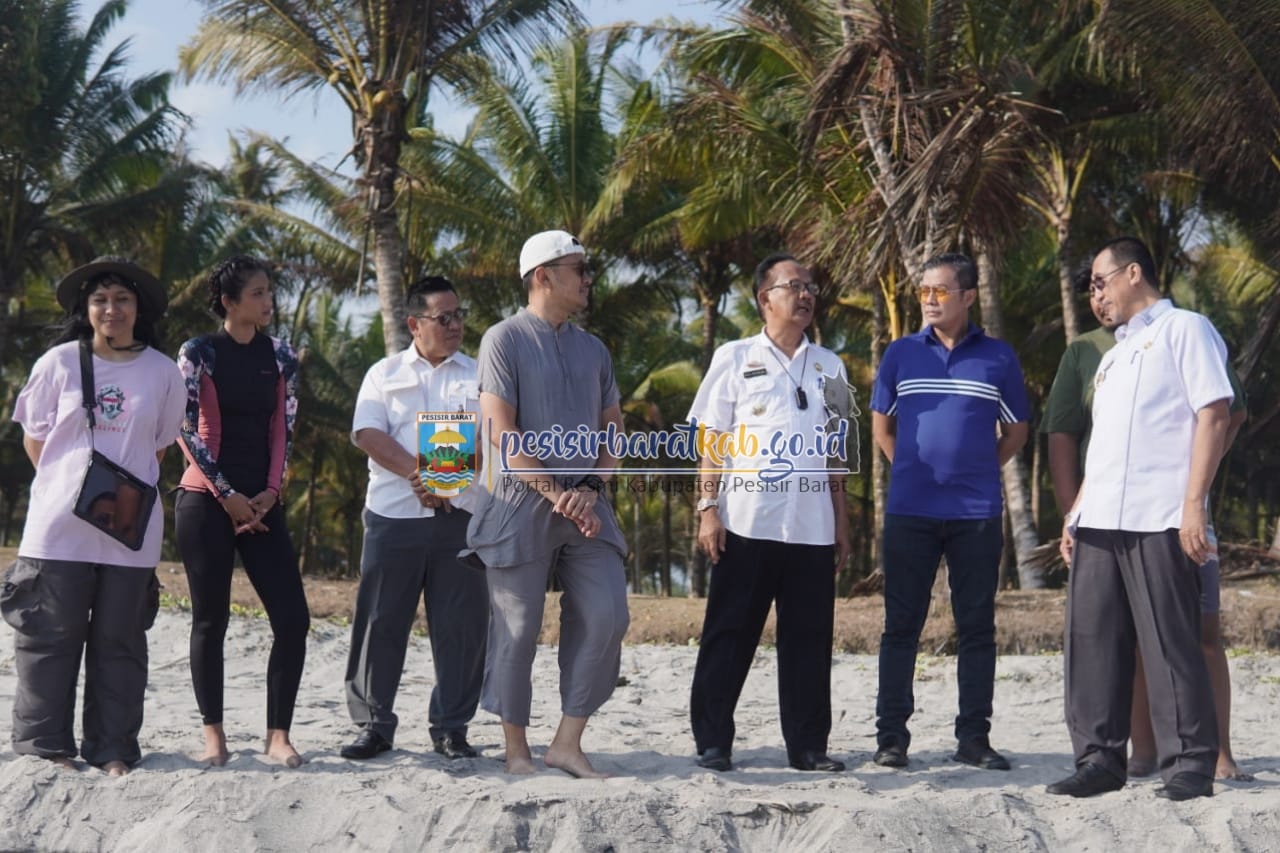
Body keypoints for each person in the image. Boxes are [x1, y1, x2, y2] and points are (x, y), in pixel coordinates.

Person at [1041, 266, 1249, 782]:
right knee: (1092, 641)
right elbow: (1106, 445)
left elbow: (1216, 414)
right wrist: (1076, 512)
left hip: (1159, 515)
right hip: (1100, 520)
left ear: (1132, 274)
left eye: (1099, 282)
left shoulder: (1186, 328)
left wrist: (1193, 503)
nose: (1095, 296)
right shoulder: (1111, 357)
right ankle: (1097, 760)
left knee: (1169, 641)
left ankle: (1188, 764)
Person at [3, 257, 185, 776]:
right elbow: (36, 439)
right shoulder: (57, 363)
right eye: (101, 299)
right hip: (57, 530)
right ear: (86, 309)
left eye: (122, 299)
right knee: (47, 638)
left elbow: (159, 447)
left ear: (139, 308)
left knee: (120, 642)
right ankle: (45, 746)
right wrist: (70, 487)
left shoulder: (163, 371)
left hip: (129, 531)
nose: (112, 309)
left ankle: (113, 749)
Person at [464, 230, 629, 777]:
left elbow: (614, 431)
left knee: (608, 613)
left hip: (586, 504)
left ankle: (566, 742)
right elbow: (498, 430)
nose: (588, 279)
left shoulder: (594, 348)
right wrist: (557, 492)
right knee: (517, 630)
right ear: (543, 276)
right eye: (579, 269)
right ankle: (516, 750)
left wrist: (589, 490)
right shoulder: (503, 340)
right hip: (518, 502)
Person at [686, 253, 852, 774]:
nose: (806, 295)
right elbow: (710, 440)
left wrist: (841, 520)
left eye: (811, 288)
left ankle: (808, 746)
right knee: (729, 633)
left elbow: (837, 451)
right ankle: (714, 741)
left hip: (812, 526)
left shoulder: (832, 365)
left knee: (808, 639)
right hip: (747, 520)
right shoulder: (734, 358)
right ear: (765, 299)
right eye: (794, 286)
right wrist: (708, 508)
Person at [869, 253, 1029, 771]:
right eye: (924, 291)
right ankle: (891, 738)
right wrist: (911, 469)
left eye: (941, 290)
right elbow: (882, 428)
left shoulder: (999, 358)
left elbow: (1017, 433)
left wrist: (978, 470)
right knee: (901, 627)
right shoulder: (899, 355)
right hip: (910, 511)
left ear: (968, 297)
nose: (931, 300)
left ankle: (973, 738)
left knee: (977, 627)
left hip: (977, 513)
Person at [340, 276, 488, 762]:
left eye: (459, 315)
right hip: (393, 516)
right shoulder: (383, 374)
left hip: (460, 516)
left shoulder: (480, 374)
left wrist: (443, 482)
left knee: (461, 626)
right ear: (413, 324)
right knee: (381, 621)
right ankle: (374, 726)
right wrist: (418, 475)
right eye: (443, 317)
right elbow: (367, 433)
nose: (455, 325)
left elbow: (496, 434)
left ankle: (451, 727)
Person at [174, 256, 309, 768]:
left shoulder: (280, 355)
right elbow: (185, 429)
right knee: (211, 619)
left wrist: (270, 493)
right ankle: (214, 736)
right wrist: (226, 493)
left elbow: (283, 430)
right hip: (205, 501)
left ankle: (278, 735)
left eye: (268, 291)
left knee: (292, 618)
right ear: (229, 302)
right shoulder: (199, 352)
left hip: (262, 503)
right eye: (256, 293)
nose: (267, 300)